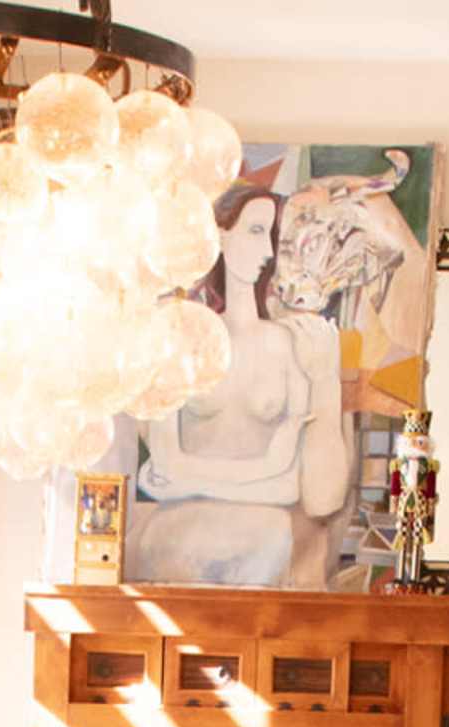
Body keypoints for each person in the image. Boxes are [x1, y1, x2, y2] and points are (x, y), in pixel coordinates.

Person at [128, 185, 351, 587]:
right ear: (221, 233)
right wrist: (263, 472)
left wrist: (189, 481)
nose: (266, 250)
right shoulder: (183, 340)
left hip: (263, 551)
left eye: (272, 236)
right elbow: (158, 466)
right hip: (171, 549)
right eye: (255, 230)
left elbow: (295, 487)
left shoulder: (288, 346)